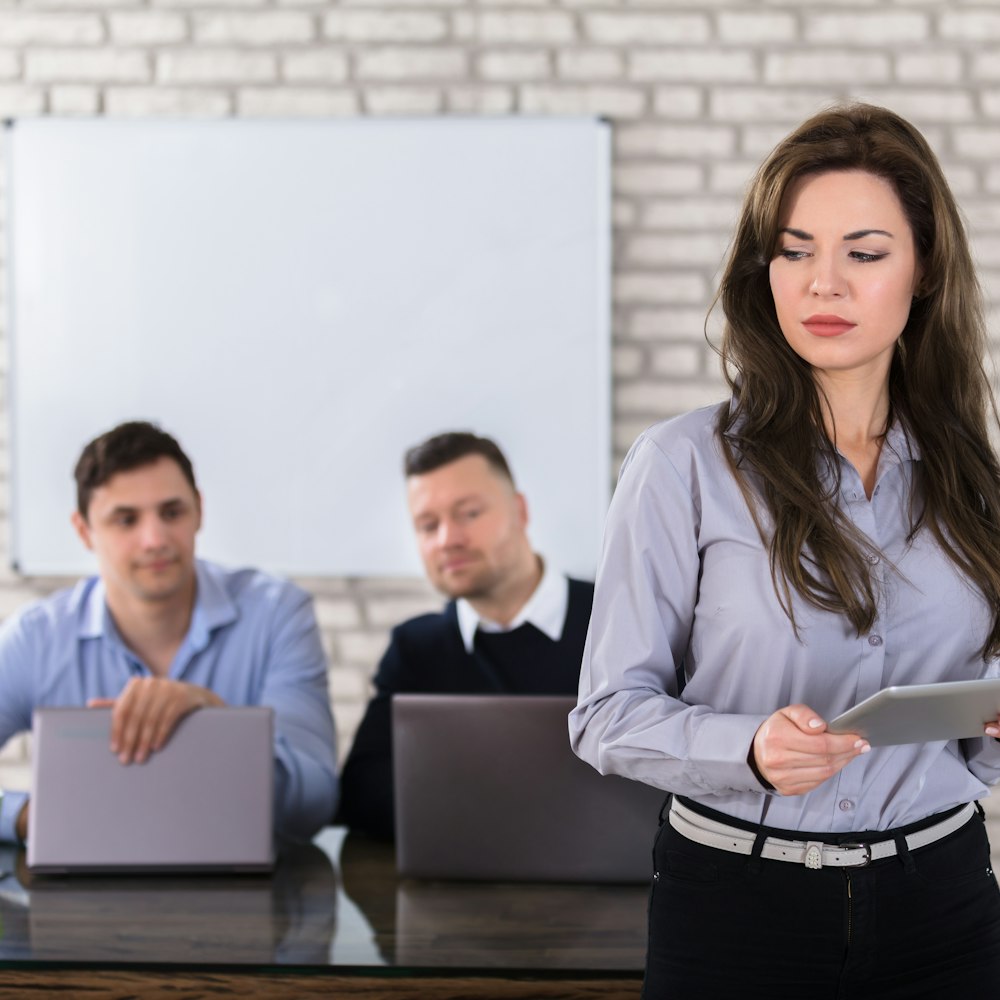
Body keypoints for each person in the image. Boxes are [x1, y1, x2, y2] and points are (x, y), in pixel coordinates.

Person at [570, 102, 1000, 998]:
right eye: (795, 250)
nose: (823, 285)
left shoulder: (975, 480)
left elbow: (976, 751)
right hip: (736, 906)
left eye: (865, 253)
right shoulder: (681, 464)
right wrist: (749, 750)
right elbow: (605, 713)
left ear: (922, 271)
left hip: (944, 904)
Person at [0, 421, 338, 845]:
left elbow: (315, 800)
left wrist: (220, 728)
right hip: (81, 897)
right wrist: (27, 816)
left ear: (199, 510)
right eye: (126, 520)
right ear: (84, 531)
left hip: (244, 895)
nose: (155, 539)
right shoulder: (35, 638)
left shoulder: (277, 615)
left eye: (172, 513)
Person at [338, 432, 594, 840]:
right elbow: (361, 795)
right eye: (427, 525)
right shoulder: (415, 649)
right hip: (454, 887)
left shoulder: (613, 623)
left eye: (469, 513)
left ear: (521, 511)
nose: (447, 540)